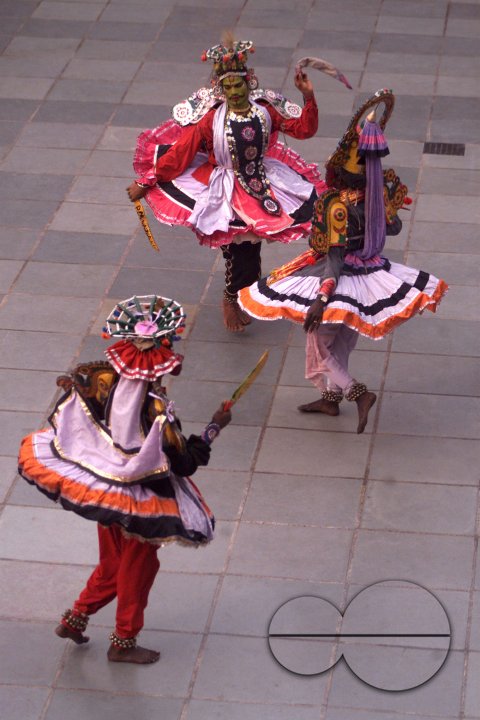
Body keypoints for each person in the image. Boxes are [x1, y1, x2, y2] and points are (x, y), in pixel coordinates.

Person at [18, 295, 231, 664]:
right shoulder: (155, 410)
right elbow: (184, 462)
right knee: (139, 567)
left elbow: (86, 399)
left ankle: (76, 618)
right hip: (141, 500)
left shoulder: (109, 385)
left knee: (114, 562)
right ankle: (123, 642)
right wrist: (213, 428)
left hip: (108, 487)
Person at [238, 89, 448, 433]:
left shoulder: (338, 205)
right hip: (370, 275)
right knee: (343, 341)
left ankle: (356, 392)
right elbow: (391, 228)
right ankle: (331, 400)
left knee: (319, 345)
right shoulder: (375, 197)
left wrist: (321, 299)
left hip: (337, 279)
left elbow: (334, 257)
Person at [126, 33, 328, 333]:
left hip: (263, 182)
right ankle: (233, 298)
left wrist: (308, 97)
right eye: (228, 86)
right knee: (240, 250)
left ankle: (241, 296)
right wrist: (147, 181)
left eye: (238, 85)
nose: (234, 91)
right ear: (220, 89)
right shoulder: (211, 119)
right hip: (225, 187)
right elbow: (183, 152)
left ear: (250, 83)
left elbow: (303, 129)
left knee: (250, 249)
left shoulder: (265, 110)